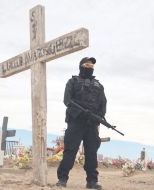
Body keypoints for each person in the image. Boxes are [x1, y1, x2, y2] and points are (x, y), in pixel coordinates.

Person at [56, 57, 107, 190]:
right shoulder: (72, 82)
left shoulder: (99, 86)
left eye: (91, 66)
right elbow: (67, 101)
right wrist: (81, 112)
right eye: (87, 65)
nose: (89, 67)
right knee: (70, 151)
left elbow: (103, 104)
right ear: (80, 66)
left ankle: (92, 181)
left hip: (92, 124)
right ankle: (62, 178)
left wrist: (99, 117)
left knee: (91, 153)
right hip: (76, 122)